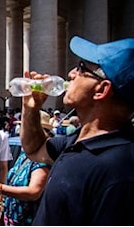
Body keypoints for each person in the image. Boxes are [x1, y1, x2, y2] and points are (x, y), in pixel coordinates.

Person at [20, 36, 134, 225]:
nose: (71, 73)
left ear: (101, 90)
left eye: (81, 67)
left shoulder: (120, 172)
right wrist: (31, 109)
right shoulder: (81, 140)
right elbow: (34, 150)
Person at [0, 110, 52, 226]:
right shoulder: (25, 154)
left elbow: (34, 192)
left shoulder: (43, 160)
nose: (20, 132)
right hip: (11, 218)